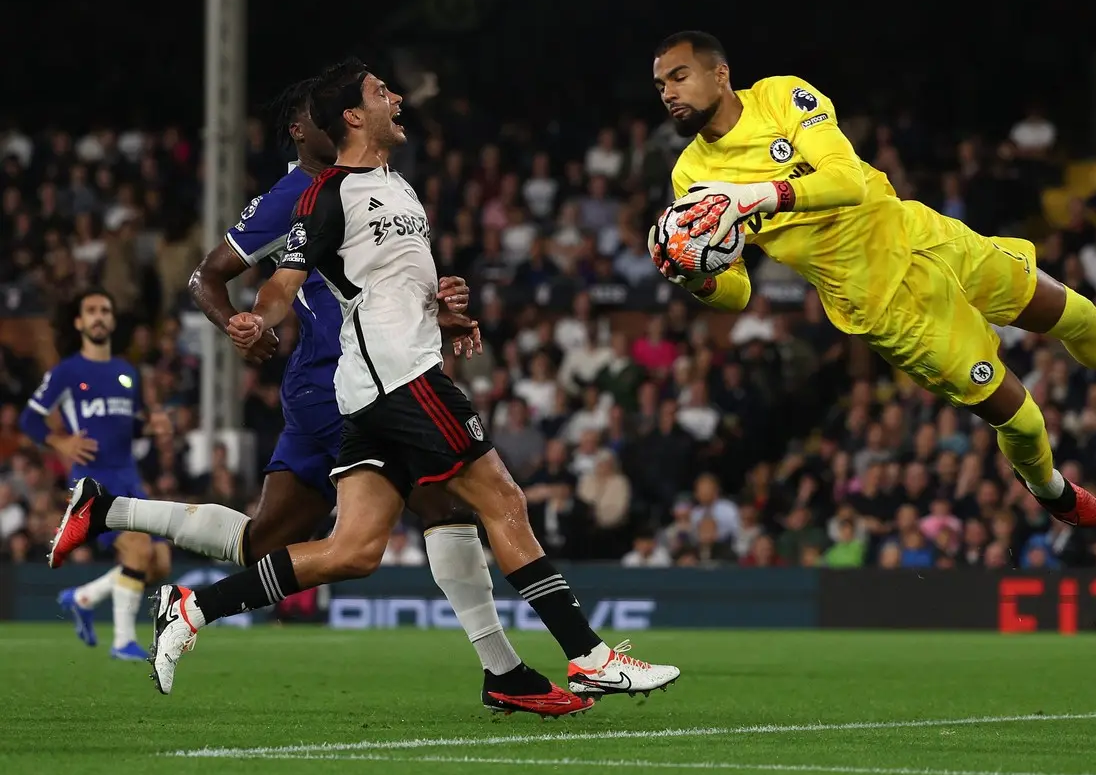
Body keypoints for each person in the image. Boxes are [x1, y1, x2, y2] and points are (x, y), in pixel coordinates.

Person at [72, 59, 678, 700]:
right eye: (381, 92)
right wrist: (252, 321)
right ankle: (587, 654)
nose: (397, 98)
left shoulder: (397, 185)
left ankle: (193, 610)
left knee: (353, 549)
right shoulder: (327, 196)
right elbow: (284, 282)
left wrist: (444, 313)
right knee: (501, 501)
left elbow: (383, 287)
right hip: (399, 379)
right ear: (354, 117)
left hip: (370, 385)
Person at [648, 31, 1096, 528]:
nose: (669, 93)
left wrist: (753, 195)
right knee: (1022, 416)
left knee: (1076, 313)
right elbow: (739, 291)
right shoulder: (691, 175)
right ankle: (1051, 490)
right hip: (883, 304)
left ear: (720, 74)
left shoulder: (782, 97)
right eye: (661, 86)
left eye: (679, 77)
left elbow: (847, 180)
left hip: (920, 234)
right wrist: (695, 277)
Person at [20, 288, 171, 659]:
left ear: (112, 319)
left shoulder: (126, 372)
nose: (99, 316)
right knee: (137, 548)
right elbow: (29, 419)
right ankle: (122, 641)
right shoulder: (66, 372)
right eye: (91, 311)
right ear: (79, 322)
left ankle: (84, 598)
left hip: (128, 477)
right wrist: (60, 442)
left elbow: (129, 425)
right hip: (93, 481)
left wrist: (150, 428)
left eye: (105, 309)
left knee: (160, 562)